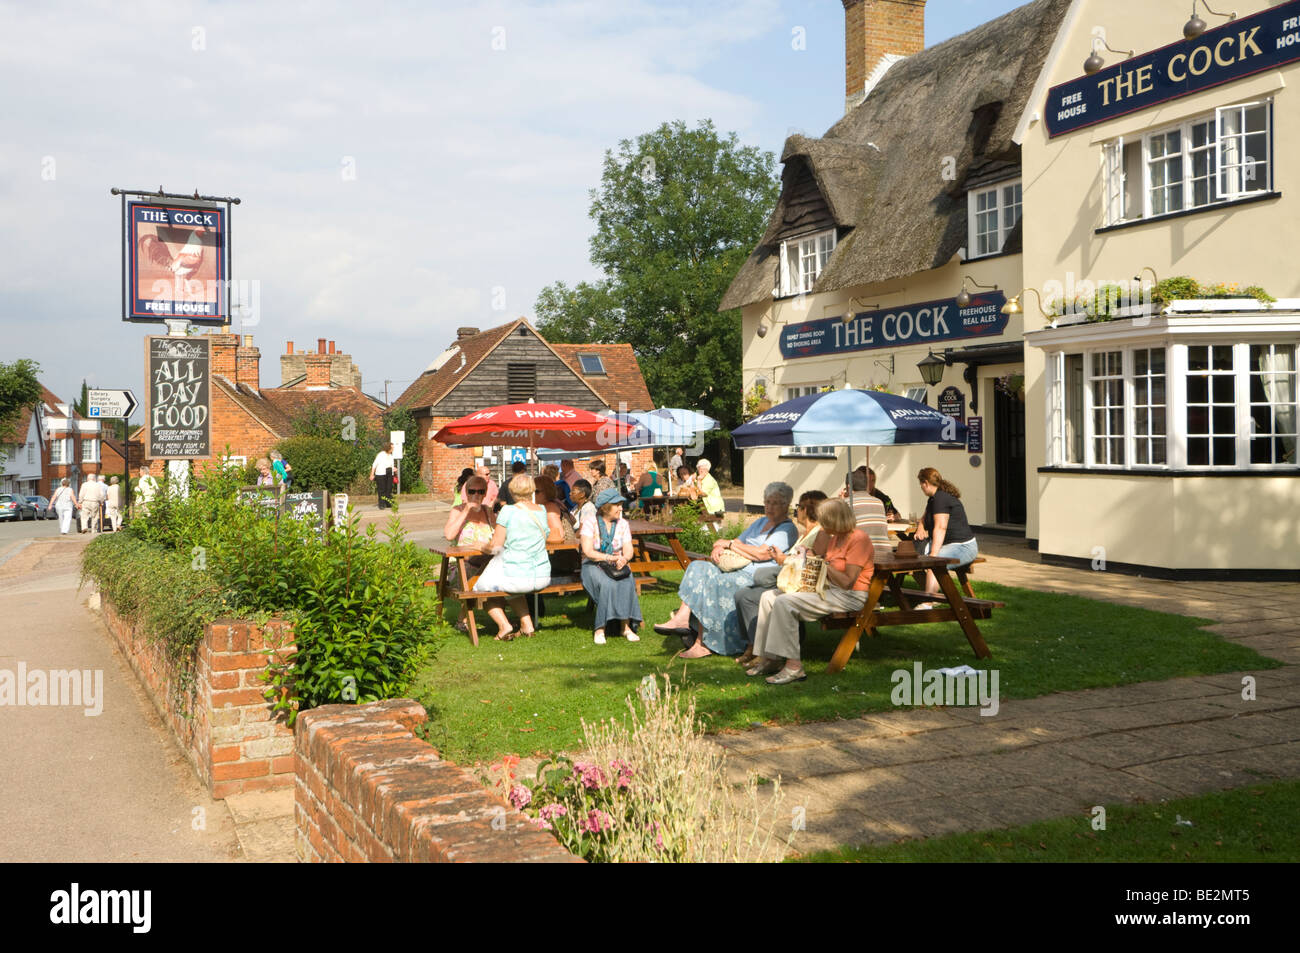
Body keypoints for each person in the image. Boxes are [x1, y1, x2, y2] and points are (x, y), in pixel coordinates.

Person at [654, 482, 796, 658]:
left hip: (755, 575)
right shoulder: (760, 522)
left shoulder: (787, 529)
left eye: (775, 503)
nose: (769, 506)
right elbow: (735, 541)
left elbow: (762, 554)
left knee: (717, 582)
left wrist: (729, 545)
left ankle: (703, 643)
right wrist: (720, 548)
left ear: (786, 505)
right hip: (735, 566)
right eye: (767, 502)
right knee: (698, 567)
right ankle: (682, 617)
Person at [748, 499, 875, 685]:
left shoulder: (859, 539)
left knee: (785, 602)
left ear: (835, 520)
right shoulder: (835, 538)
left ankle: (793, 667)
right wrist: (808, 559)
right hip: (828, 590)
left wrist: (823, 564)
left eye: (825, 521)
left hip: (848, 596)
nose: (822, 525)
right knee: (769, 597)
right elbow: (825, 566)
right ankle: (770, 658)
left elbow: (847, 582)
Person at [733, 490, 827, 667]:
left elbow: (813, 563)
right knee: (742, 595)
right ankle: (752, 645)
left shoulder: (819, 533)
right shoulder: (805, 534)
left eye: (799, 507)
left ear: (807, 510)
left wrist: (783, 560)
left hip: (799, 584)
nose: (796, 510)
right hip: (789, 578)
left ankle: (762, 651)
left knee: (750, 596)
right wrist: (782, 560)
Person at [472, 473, 564, 640]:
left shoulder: (508, 511)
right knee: (509, 586)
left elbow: (495, 546)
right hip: (541, 575)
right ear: (532, 491)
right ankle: (527, 625)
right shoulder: (542, 510)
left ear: (512, 491)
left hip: (517, 575)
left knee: (480, 588)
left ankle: (504, 625)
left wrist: (480, 545)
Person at [579, 487, 643, 645]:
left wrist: (625, 559)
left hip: (615, 564)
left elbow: (628, 548)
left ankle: (625, 627)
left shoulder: (623, 524)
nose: (621, 508)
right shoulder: (590, 523)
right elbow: (587, 551)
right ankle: (600, 628)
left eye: (621, 504)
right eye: (617, 505)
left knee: (627, 581)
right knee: (607, 584)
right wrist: (608, 557)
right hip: (593, 564)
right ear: (605, 507)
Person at [912, 467, 978, 603]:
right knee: (913, 560)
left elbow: (941, 527)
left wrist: (934, 554)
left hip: (963, 546)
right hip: (949, 544)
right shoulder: (933, 499)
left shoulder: (940, 499)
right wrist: (920, 527)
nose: (921, 487)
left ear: (925, 483)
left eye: (920, 484)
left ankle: (927, 603)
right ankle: (934, 596)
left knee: (934, 564)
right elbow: (924, 517)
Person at [443, 475, 496, 632]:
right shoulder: (457, 510)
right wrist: (466, 510)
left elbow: (498, 537)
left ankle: (505, 621)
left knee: (493, 572)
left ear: (485, 493)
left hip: (485, 562)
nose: (476, 495)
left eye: (481, 492)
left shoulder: (488, 512)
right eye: (472, 491)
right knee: (479, 578)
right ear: (466, 492)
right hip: (460, 565)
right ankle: (463, 619)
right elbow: (449, 535)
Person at [843, 470, 891, 553]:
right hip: (884, 552)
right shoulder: (878, 502)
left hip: (861, 553)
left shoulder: (847, 503)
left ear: (848, 486)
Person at [371, 443, 396, 508]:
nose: (393, 449)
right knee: (381, 489)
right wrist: (372, 474)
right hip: (381, 473)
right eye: (392, 448)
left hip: (389, 473)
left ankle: (388, 502)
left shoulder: (391, 456)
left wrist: (394, 469)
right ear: (388, 448)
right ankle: (381, 504)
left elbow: (390, 465)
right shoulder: (381, 455)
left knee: (389, 489)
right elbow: (374, 464)